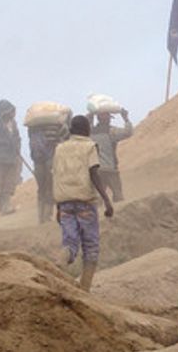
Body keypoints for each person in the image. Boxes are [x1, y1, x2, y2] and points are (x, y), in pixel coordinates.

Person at [53, 114, 116, 290]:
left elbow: (57, 176)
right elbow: (94, 173)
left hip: (65, 203)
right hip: (85, 203)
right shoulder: (89, 147)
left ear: (71, 130)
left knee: (70, 243)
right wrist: (106, 199)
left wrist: (58, 207)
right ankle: (85, 289)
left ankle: (62, 258)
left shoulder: (59, 149)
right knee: (91, 247)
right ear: (87, 129)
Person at [27, 119, 69, 223]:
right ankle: (46, 216)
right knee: (49, 187)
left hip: (38, 160)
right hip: (50, 159)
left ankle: (42, 217)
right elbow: (64, 139)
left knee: (42, 188)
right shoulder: (56, 125)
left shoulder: (33, 128)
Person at [90, 108, 133, 202]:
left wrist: (90, 118)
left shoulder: (91, 133)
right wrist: (126, 118)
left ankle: (100, 211)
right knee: (118, 195)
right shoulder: (112, 131)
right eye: (109, 117)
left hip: (96, 170)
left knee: (98, 197)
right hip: (110, 169)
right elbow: (128, 132)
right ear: (108, 119)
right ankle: (119, 210)